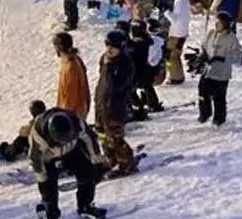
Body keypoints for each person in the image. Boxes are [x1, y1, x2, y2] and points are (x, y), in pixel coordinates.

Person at [28, 108, 105, 219]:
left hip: (71, 150)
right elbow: (35, 159)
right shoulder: (38, 134)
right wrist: (43, 181)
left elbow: (89, 138)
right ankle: (48, 214)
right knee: (49, 185)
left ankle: (86, 206)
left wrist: (96, 159)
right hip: (48, 156)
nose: (63, 142)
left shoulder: (76, 122)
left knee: (87, 172)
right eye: (60, 140)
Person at [93, 32, 138, 174]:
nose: (109, 50)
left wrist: (108, 68)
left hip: (115, 106)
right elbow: (102, 84)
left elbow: (114, 86)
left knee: (115, 138)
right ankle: (111, 159)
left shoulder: (125, 64)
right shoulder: (105, 59)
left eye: (113, 47)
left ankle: (127, 163)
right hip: (101, 103)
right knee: (102, 135)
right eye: (107, 46)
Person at [197, 12, 240, 128]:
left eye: (219, 22)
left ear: (225, 24)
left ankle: (219, 118)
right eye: (216, 21)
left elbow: (238, 57)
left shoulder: (231, 39)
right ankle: (205, 113)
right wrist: (203, 55)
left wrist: (224, 58)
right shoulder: (211, 33)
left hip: (222, 73)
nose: (216, 24)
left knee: (219, 97)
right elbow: (204, 46)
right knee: (202, 91)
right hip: (208, 70)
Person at [127, 19, 163, 115]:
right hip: (145, 70)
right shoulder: (145, 40)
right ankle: (152, 104)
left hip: (140, 71)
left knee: (131, 90)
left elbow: (131, 46)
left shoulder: (140, 42)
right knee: (147, 87)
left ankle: (139, 107)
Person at [52, 32, 91, 121]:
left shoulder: (71, 67)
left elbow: (71, 96)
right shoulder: (71, 60)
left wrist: (64, 116)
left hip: (73, 114)